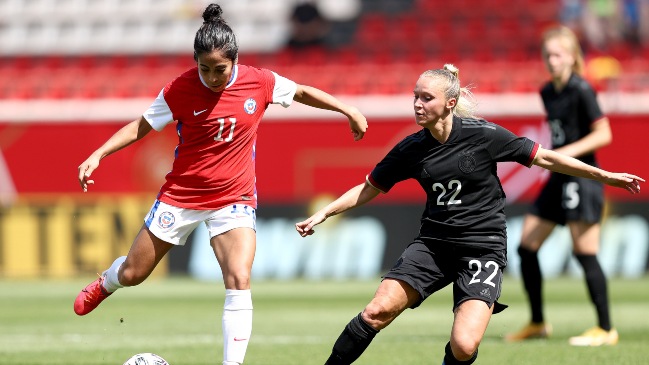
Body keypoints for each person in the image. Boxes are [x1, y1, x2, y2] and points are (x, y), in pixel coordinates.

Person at [73, 3, 368, 365]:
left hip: (235, 197)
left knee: (239, 278)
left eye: (220, 70)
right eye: (204, 69)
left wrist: (348, 110)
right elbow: (141, 126)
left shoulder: (259, 81)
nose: (212, 77)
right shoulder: (180, 89)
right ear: (195, 63)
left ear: (236, 62)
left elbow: (303, 92)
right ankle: (106, 283)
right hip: (181, 195)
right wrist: (99, 154)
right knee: (134, 273)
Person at [295, 64, 642, 365]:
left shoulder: (483, 135)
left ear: (449, 103)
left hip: (482, 248)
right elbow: (369, 186)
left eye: (426, 98)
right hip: (433, 245)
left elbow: (546, 158)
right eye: (415, 96)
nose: (417, 103)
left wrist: (604, 175)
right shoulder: (410, 148)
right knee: (376, 311)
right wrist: (324, 213)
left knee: (464, 345)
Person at [505, 25, 620, 346]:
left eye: (557, 55)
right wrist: (555, 160)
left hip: (582, 178)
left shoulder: (582, 89)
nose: (551, 61)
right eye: (547, 55)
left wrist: (562, 154)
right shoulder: (547, 91)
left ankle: (606, 328)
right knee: (526, 246)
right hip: (557, 178)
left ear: (572, 57)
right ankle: (538, 323)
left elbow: (603, 135)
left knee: (585, 253)